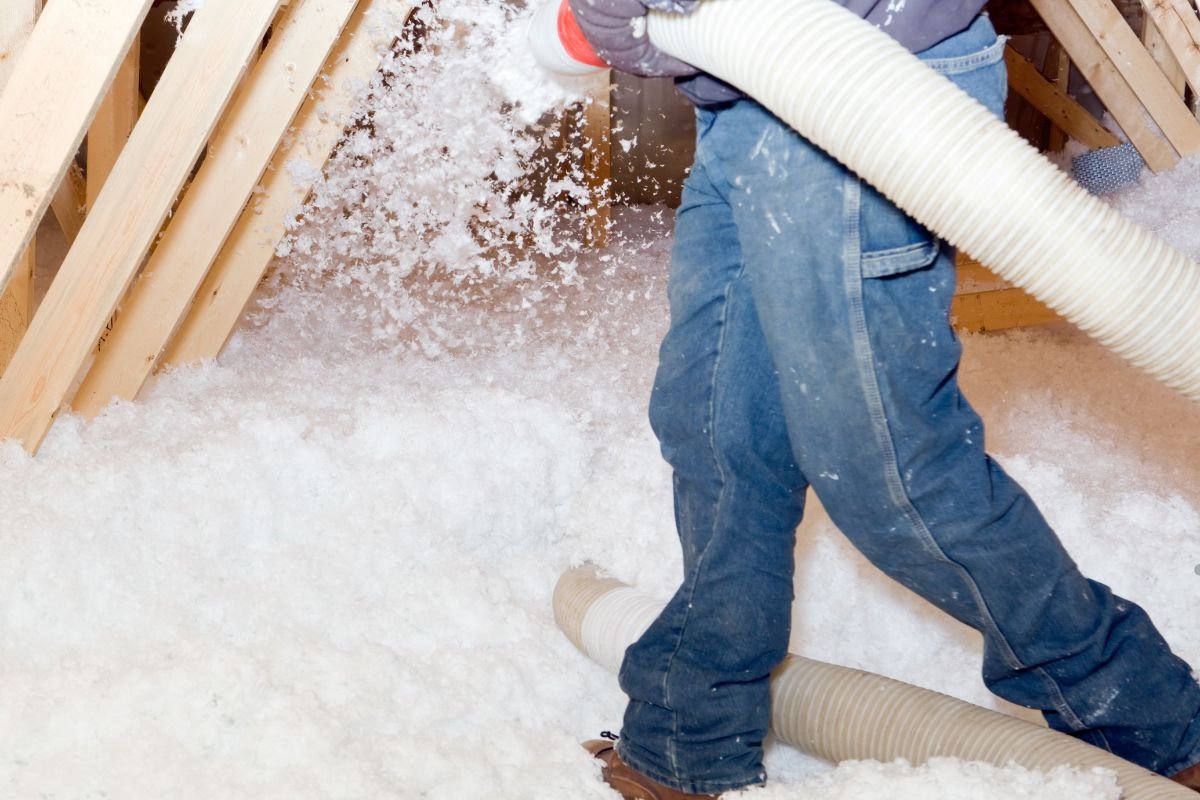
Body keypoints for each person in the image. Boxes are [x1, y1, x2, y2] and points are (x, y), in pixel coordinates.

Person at [565, 0, 1200, 797]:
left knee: (889, 470)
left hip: (866, 84)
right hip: (749, 92)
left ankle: (1157, 727)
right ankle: (687, 737)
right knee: (718, 428)